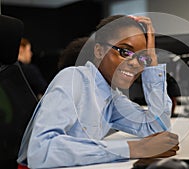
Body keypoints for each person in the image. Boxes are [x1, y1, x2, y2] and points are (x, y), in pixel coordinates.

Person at [17, 15, 179, 169]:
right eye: (124, 52)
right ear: (99, 51)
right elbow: (41, 150)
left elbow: (158, 126)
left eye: (142, 58)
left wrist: (152, 64)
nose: (136, 64)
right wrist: (134, 148)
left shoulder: (112, 97)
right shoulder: (73, 78)